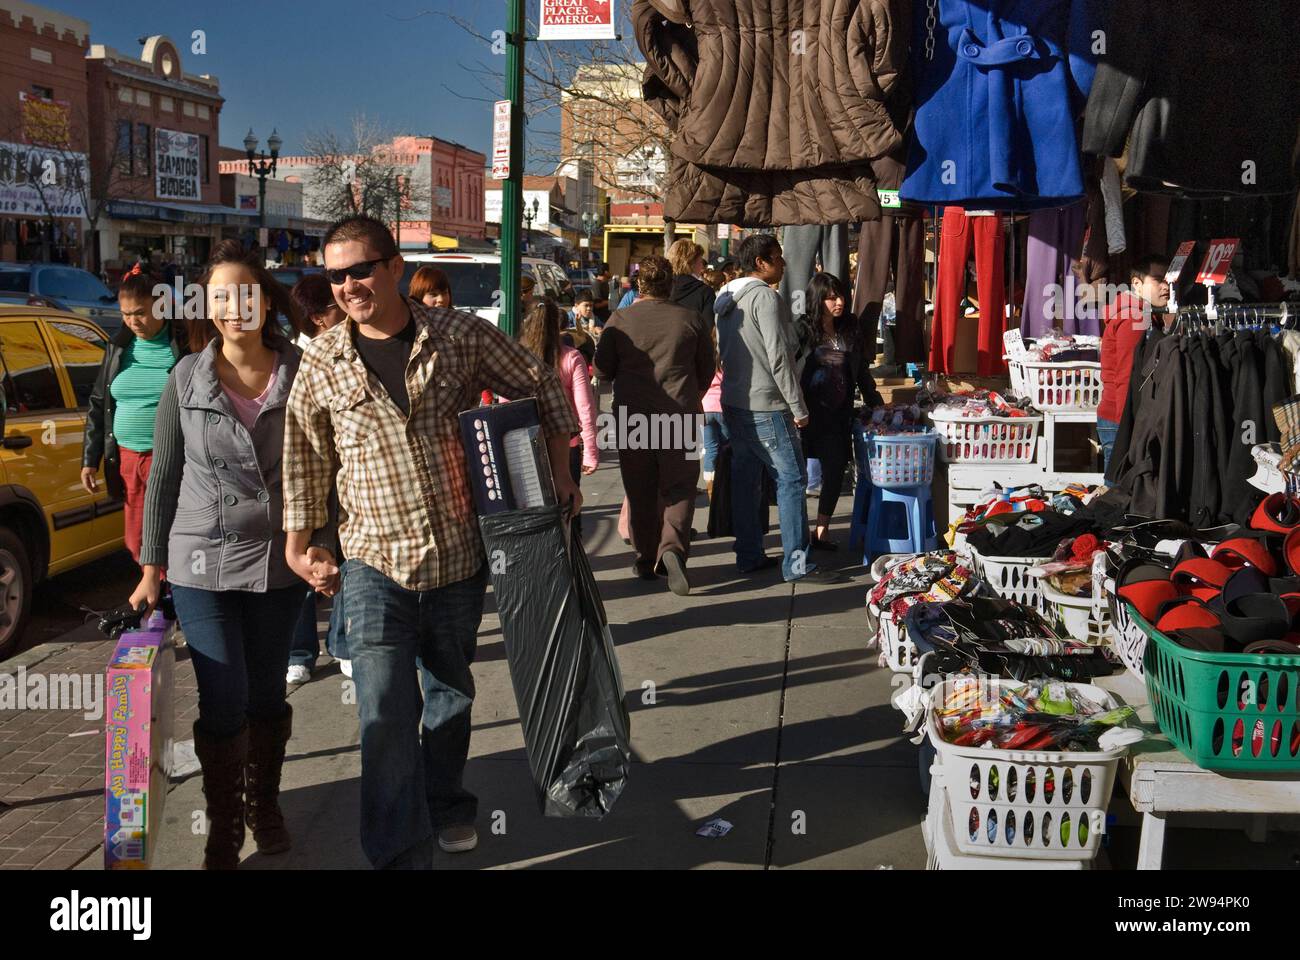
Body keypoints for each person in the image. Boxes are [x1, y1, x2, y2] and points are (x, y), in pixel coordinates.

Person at [281, 216, 579, 869]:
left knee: (449, 693)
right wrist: (299, 543)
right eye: (337, 275)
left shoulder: (457, 335)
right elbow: (303, 458)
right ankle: (398, 853)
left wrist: (559, 471)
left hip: (456, 557)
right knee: (384, 713)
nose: (350, 285)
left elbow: (540, 382)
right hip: (371, 562)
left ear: (393, 266)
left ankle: (446, 803)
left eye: (361, 269)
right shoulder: (322, 362)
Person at [128, 240, 325, 870]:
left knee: (267, 693)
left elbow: (331, 466)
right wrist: (150, 570)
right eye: (218, 296)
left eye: (243, 293)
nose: (231, 307)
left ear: (264, 299)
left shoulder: (304, 372)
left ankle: (263, 805)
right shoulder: (185, 376)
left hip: (279, 562)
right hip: (199, 562)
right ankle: (222, 826)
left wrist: (326, 544)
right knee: (223, 697)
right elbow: (163, 478)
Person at [715, 234, 846, 585]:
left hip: (736, 401)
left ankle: (748, 554)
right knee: (791, 480)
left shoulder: (726, 298)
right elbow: (779, 358)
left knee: (747, 481)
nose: (784, 263)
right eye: (778, 257)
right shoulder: (764, 298)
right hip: (766, 403)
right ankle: (797, 563)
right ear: (761, 262)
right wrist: (798, 406)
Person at [594, 255, 714, 596]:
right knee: (679, 488)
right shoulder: (690, 319)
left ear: (637, 286)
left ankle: (646, 557)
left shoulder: (620, 319)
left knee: (640, 489)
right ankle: (672, 548)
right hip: (680, 414)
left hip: (633, 416)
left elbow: (602, 370)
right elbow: (706, 370)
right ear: (670, 284)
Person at [81, 262, 187, 567]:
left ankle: (163, 603)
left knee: (164, 538)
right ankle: (158, 599)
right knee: (135, 540)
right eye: (126, 314)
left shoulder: (183, 344)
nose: (132, 321)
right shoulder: (117, 348)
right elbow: (99, 403)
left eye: (140, 312)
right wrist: (90, 459)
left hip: (168, 459)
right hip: (127, 458)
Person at [285, 274, 352, 685]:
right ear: (317, 318)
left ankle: (343, 644)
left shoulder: (351, 348)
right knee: (303, 564)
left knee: (343, 557)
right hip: (301, 478)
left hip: (343, 475)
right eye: (334, 307)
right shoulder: (292, 359)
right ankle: (299, 652)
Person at [799, 272, 882, 550]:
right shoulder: (802, 330)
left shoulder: (850, 327)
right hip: (806, 414)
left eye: (841, 295)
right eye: (831, 297)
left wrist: (876, 403)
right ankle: (799, 532)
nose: (839, 301)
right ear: (817, 299)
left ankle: (822, 530)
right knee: (797, 476)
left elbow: (861, 371)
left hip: (838, 415)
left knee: (834, 471)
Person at [519, 299, 599, 535]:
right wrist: (591, 451)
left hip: (527, 446)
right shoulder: (571, 357)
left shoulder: (518, 357)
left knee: (533, 513)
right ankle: (571, 562)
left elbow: (506, 403)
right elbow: (584, 407)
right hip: (567, 444)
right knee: (569, 507)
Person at [1099, 255, 1169, 473]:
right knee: (1118, 492)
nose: (1166, 286)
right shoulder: (1135, 318)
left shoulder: (1142, 314)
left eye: (1168, 280)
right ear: (1137, 284)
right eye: (1158, 279)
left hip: (1120, 416)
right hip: (1121, 419)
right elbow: (1126, 377)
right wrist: (1127, 429)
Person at [668, 239, 716, 329]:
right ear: (691, 263)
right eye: (700, 261)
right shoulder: (705, 292)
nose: (702, 266)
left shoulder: (660, 287)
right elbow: (707, 329)